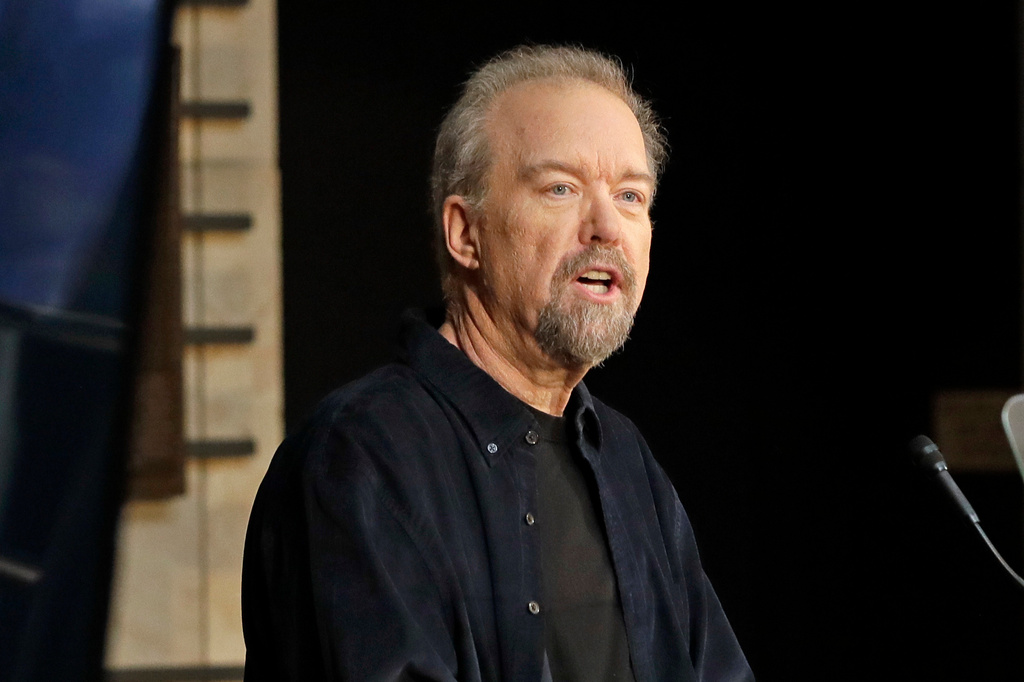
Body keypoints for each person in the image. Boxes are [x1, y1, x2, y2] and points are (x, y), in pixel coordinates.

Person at [242, 44, 753, 682]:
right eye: (561, 188)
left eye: (630, 195)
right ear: (465, 233)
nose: (605, 227)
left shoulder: (624, 460)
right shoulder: (362, 456)